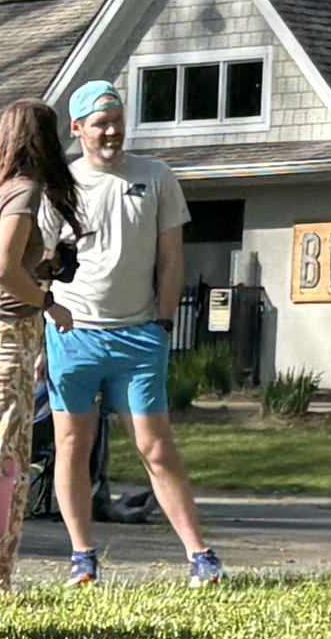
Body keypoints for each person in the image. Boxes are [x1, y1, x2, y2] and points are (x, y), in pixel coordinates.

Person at [42, 80, 222, 586]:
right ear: (77, 129)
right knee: (74, 444)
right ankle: (82, 556)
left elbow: (171, 257)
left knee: (155, 446)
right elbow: (40, 261)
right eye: (100, 123)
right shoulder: (62, 185)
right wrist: (48, 308)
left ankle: (200, 555)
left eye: (117, 119)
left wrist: (164, 322)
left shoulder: (156, 176)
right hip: (74, 334)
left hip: (139, 333)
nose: (112, 130)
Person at [0, 98, 79, 595]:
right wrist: (49, 302)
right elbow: (5, 269)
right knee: (6, 461)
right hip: (8, 336)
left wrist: (42, 268)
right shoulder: (25, 193)